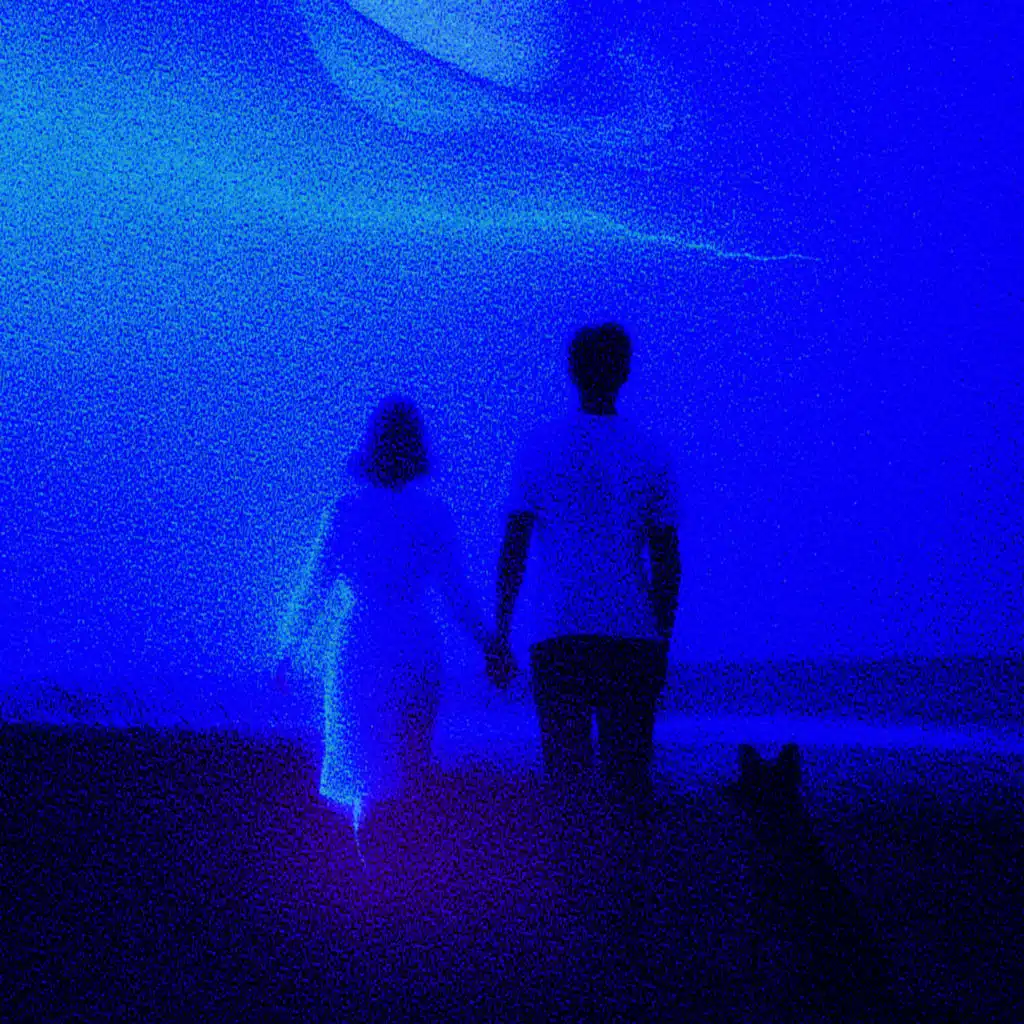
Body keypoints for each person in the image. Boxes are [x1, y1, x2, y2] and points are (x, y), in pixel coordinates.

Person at [276, 395, 492, 866]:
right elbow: (458, 596)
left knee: (364, 773)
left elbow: (314, 587)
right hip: (414, 644)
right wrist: (491, 645)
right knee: (408, 769)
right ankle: (402, 877)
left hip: (360, 645)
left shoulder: (345, 511)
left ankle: (372, 877)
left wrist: (288, 650)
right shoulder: (432, 515)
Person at [486, 322, 682, 840]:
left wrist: (501, 633)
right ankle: (626, 881)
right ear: (626, 372)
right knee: (629, 784)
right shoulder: (651, 451)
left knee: (566, 781)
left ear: (571, 372)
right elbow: (666, 560)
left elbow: (514, 547)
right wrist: (663, 639)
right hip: (632, 633)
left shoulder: (537, 446)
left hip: (559, 631)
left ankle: (573, 878)